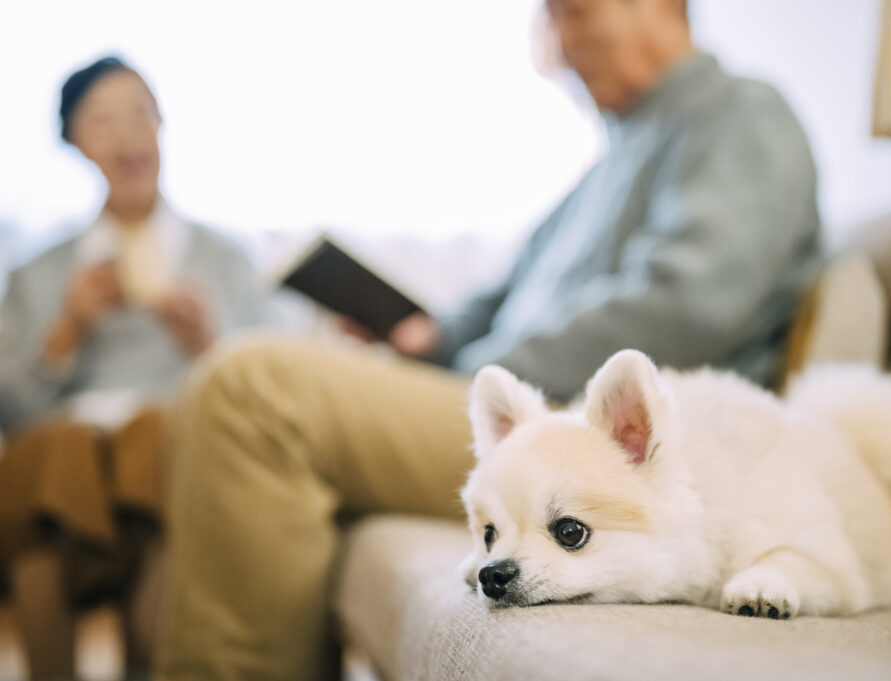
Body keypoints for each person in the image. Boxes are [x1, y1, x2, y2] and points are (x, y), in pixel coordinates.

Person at [155, 1, 820, 679]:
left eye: (575, 14)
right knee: (245, 377)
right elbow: (503, 295)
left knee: (251, 388)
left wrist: (472, 367)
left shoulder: (741, 115)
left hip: (582, 450)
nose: (557, 50)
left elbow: (684, 306)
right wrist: (429, 342)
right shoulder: (610, 163)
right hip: (526, 416)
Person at [0, 56, 265, 680]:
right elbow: (11, 414)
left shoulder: (223, 261)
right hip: (65, 476)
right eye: (102, 120)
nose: (128, 134)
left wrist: (209, 344)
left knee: (156, 432)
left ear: (163, 123)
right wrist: (65, 334)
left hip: (168, 468)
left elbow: (275, 392)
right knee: (60, 457)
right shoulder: (37, 273)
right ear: (74, 142)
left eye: (142, 112)